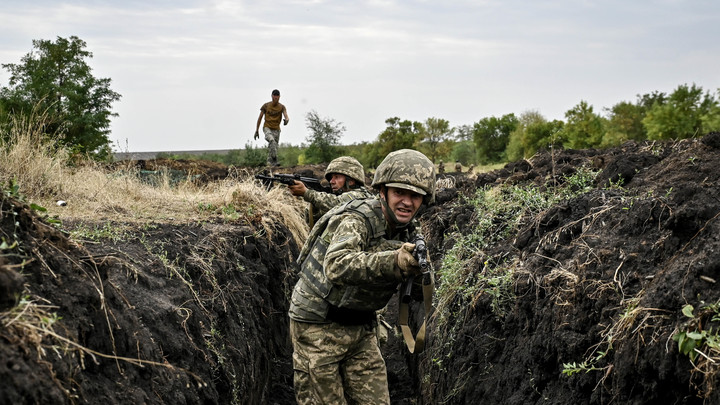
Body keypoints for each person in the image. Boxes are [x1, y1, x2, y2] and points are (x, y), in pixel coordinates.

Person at [288, 149, 436, 404]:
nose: (407, 202)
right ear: (383, 191)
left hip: (360, 325)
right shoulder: (357, 219)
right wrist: (394, 260)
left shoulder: (409, 229)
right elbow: (336, 265)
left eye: (415, 196)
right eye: (399, 192)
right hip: (318, 326)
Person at [287, 156, 373, 224]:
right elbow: (312, 221)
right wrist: (315, 206)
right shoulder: (336, 198)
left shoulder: (360, 196)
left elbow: (337, 203)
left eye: (336, 177)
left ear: (350, 181)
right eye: (331, 178)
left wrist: (307, 193)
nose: (331, 181)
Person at [254, 89, 289, 167]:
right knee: (271, 140)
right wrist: (257, 130)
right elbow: (259, 118)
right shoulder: (266, 106)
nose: (276, 98)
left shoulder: (282, 107)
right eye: (274, 96)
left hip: (276, 129)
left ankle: (270, 166)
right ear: (272, 96)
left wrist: (286, 120)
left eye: (277, 96)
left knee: (273, 148)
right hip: (267, 128)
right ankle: (275, 159)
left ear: (279, 97)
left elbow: (286, 115)